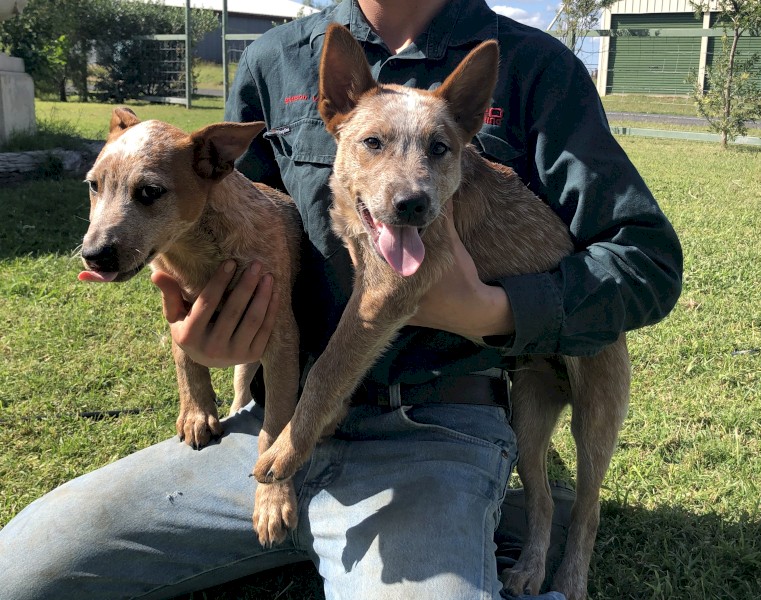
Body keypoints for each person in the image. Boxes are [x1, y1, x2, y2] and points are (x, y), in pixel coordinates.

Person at [0, 1, 682, 599]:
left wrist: (488, 310)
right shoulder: (277, 59)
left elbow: (646, 263)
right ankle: (491, 519)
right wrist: (196, 337)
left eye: (434, 153)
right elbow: (227, 214)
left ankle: (497, 513)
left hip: (431, 436)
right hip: (269, 428)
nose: (408, 180)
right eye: (376, 145)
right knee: (20, 572)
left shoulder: (535, 67)